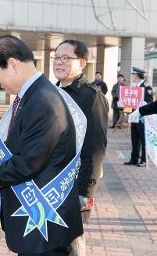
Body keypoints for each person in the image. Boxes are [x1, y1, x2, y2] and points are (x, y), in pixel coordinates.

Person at [0, 35, 83, 255]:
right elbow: (21, 145)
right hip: (38, 222)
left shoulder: (42, 101)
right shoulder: (34, 95)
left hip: (45, 228)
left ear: (13, 65)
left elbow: (25, 164)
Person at [52, 40, 109, 255]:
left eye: (66, 58)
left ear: (82, 62)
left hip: (74, 186)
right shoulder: (49, 92)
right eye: (57, 57)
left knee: (71, 244)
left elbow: (96, 149)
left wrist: (85, 194)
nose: (59, 62)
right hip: (48, 183)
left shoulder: (91, 97)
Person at [124, 67, 153, 167]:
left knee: (143, 139)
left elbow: (150, 102)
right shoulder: (134, 88)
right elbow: (129, 102)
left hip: (142, 118)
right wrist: (126, 112)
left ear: (137, 75)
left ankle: (144, 160)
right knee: (134, 138)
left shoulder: (146, 88)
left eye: (133, 75)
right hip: (134, 117)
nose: (132, 76)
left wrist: (143, 104)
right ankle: (134, 158)